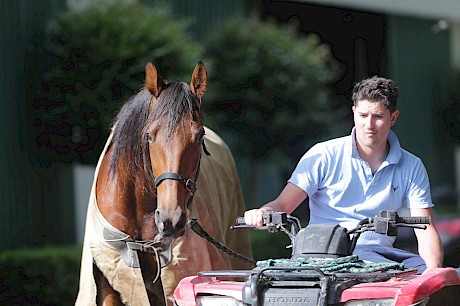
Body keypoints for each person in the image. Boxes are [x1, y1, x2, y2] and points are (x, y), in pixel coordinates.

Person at [244, 76, 444, 274]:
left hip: (379, 255)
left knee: (446, 279)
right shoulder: (322, 155)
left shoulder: (412, 165)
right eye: (363, 115)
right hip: (322, 254)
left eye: (378, 116)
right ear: (354, 113)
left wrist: (434, 274)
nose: (369, 125)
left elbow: (425, 227)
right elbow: (282, 205)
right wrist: (262, 212)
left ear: (393, 117)